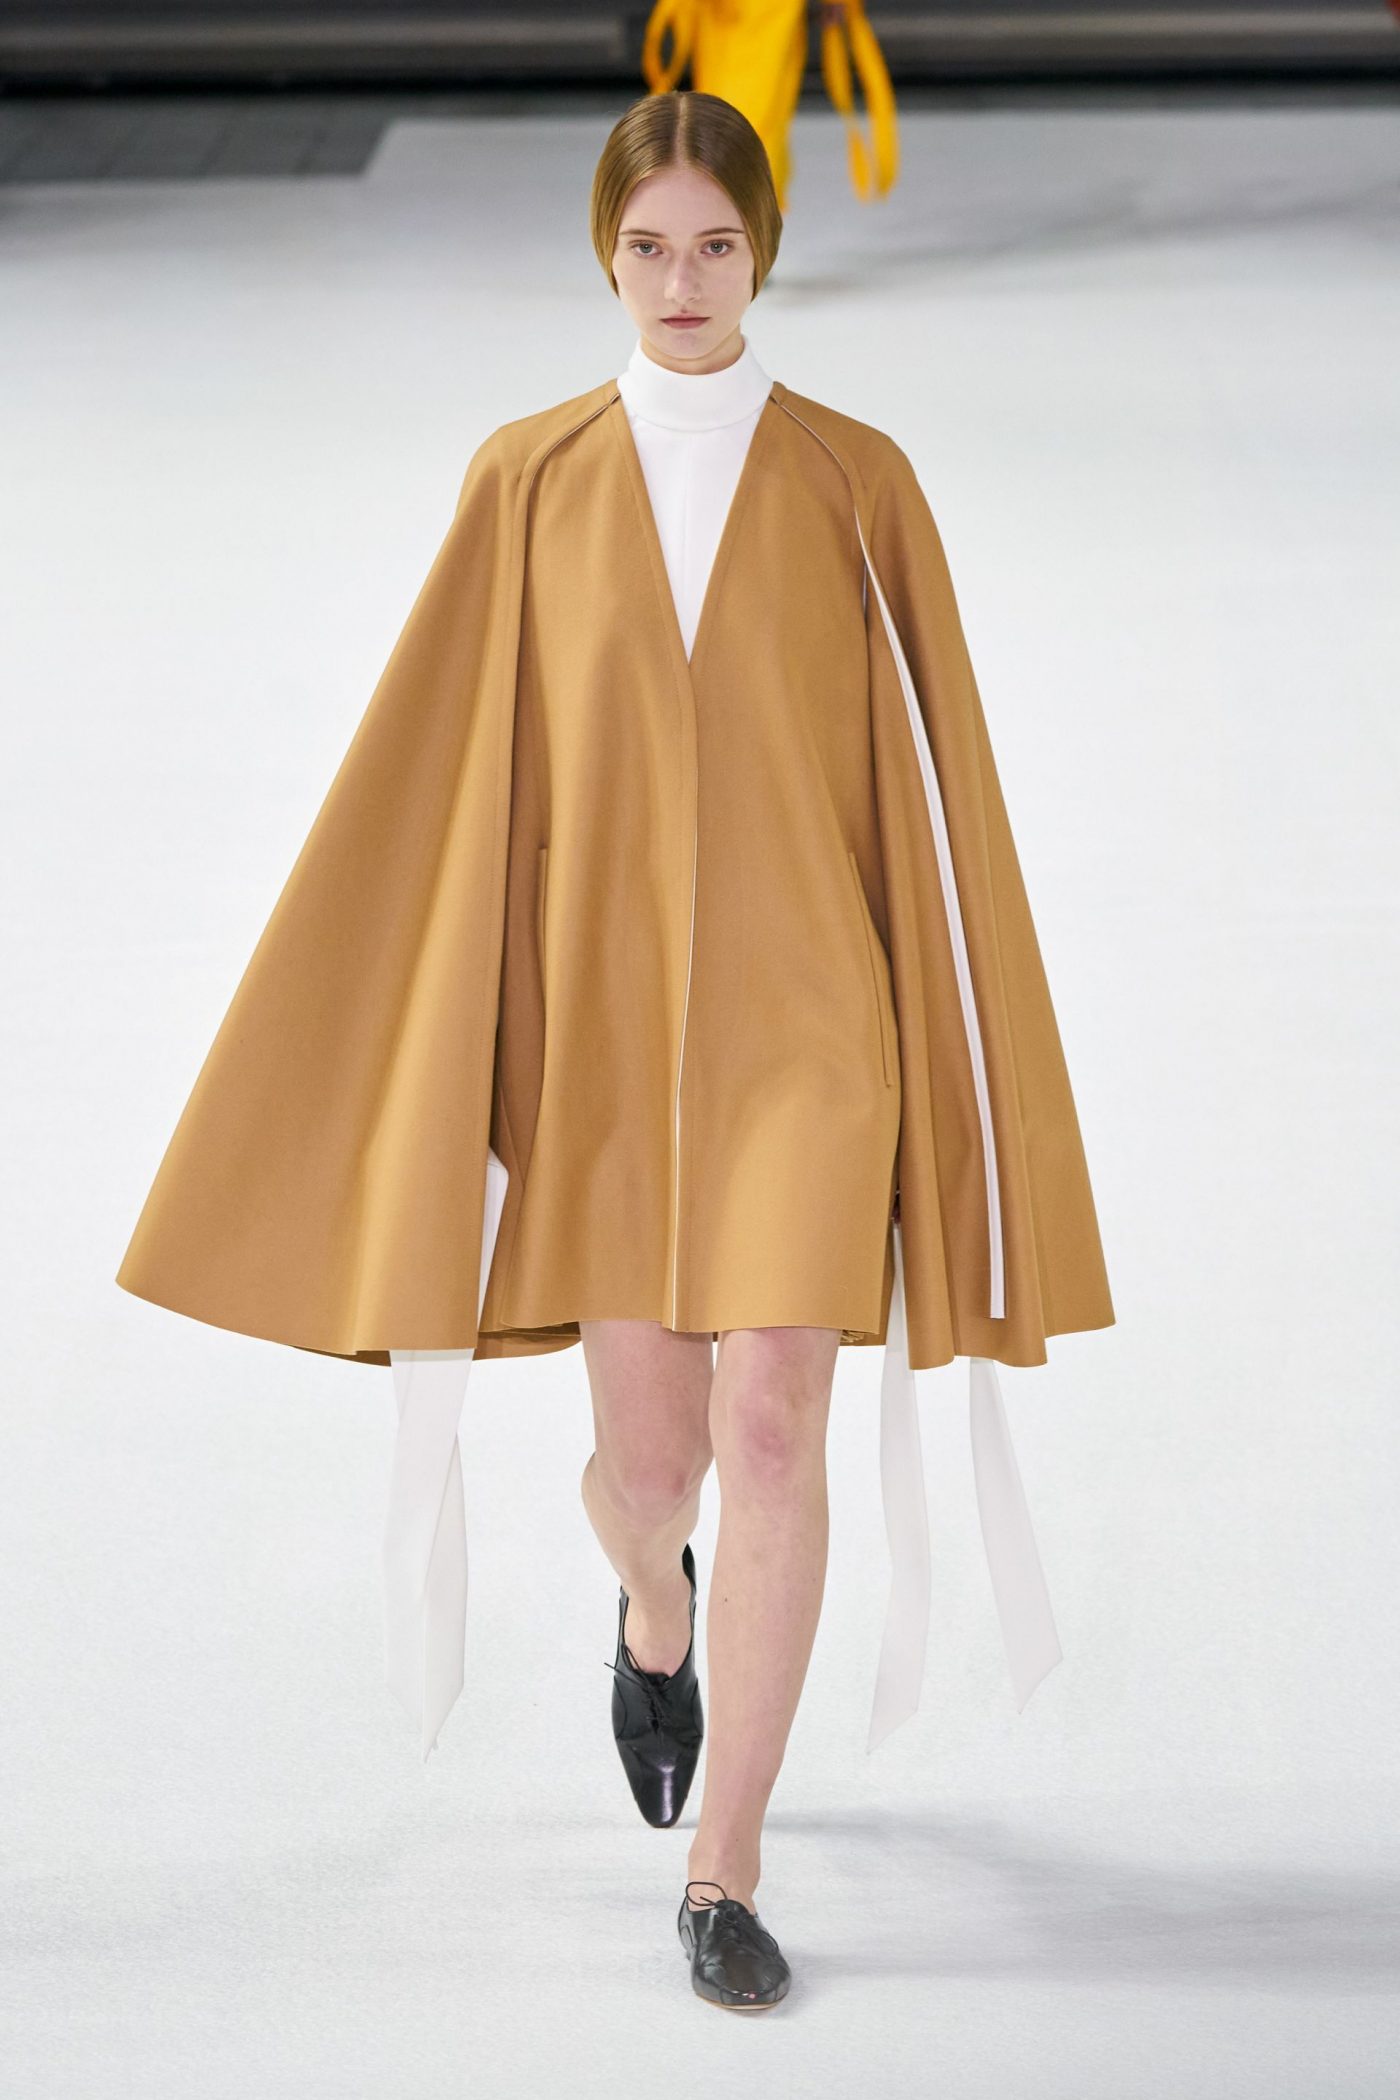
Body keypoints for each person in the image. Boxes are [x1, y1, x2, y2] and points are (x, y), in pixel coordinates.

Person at [116, 90, 1114, 2015]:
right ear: (605, 253)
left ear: (763, 255)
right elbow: (444, 777)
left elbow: (940, 801)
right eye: (649, 247)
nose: (681, 282)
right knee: (652, 1470)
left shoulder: (858, 481)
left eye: (715, 247)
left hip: (811, 1033)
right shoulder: (528, 478)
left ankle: (725, 1865)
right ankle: (654, 1606)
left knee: (774, 1427)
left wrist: (951, 1066)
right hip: (607, 1058)